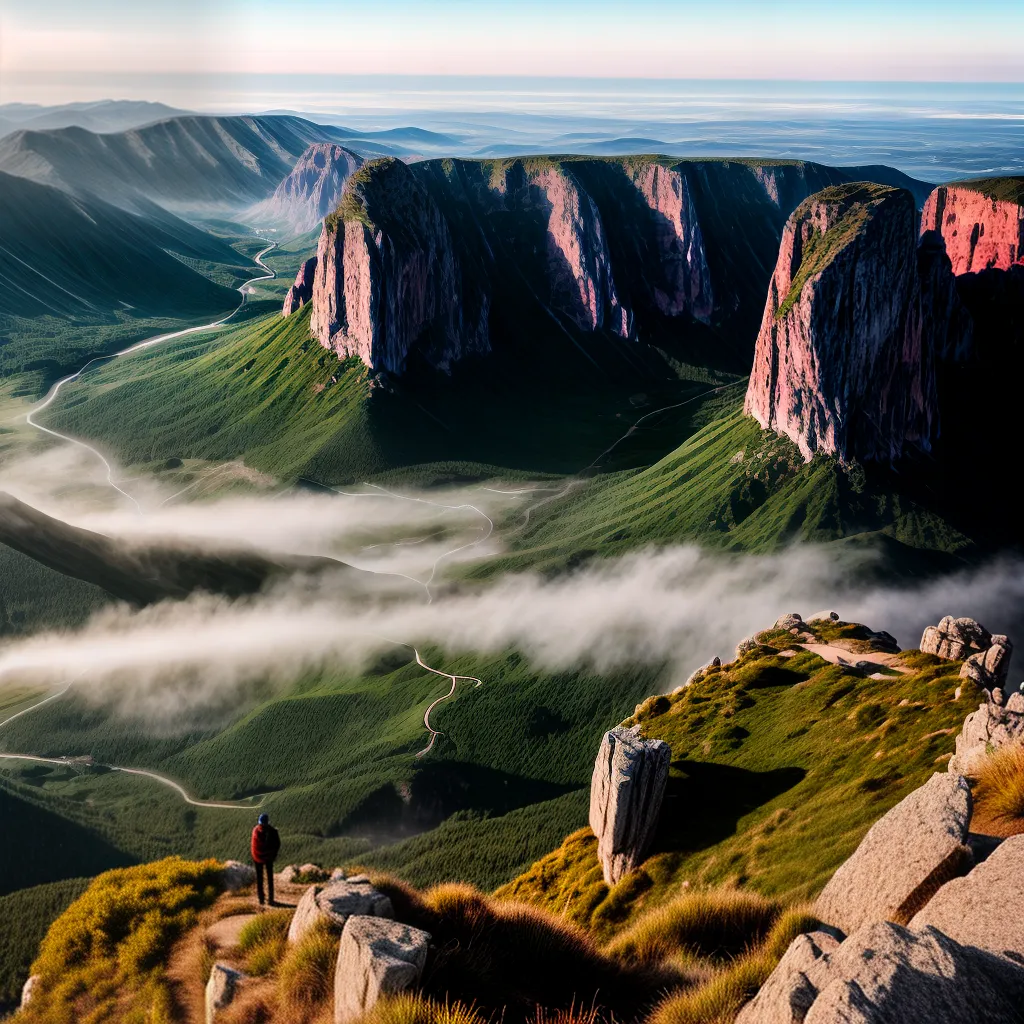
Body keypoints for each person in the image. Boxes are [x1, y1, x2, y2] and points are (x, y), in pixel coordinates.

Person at [250, 812, 281, 906]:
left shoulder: (255, 831)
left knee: (260, 879)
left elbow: (254, 846)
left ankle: (261, 899)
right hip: (268, 858)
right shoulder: (272, 831)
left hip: (257, 857)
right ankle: (270, 900)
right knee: (270, 879)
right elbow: (277, 844)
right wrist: (273, 855)